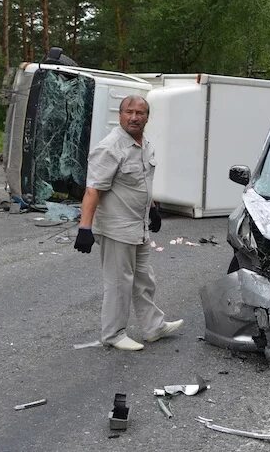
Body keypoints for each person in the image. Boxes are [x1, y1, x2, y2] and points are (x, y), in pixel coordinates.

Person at [73, 95, 183, 351]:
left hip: (138, 226)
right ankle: (113, 334)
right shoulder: (110, 147)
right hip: (116, 228)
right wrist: (85, 228)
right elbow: (93, 190)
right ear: (120, 115)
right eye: (129, 112)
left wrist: (153, 209)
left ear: (147, 117)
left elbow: (142, 183)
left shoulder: (144, 145)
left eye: (140, 113)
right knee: (119, 282)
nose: (134, 117)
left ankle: (153, 327)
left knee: (144, 278)